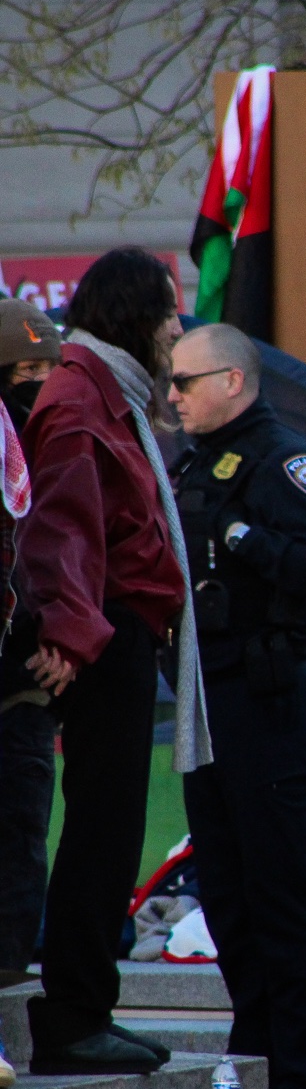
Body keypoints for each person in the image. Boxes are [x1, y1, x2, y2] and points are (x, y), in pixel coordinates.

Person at [14, 249, 206, 1075]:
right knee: (100, 829)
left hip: (114, 629)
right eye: (168, 313)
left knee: (109, 826)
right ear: (134, 313)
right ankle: (73, 1014)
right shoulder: (82, 394)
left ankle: (84, 1006)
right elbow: (60, 523)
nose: (175, 328)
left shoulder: (106, 390)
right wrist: (70, 631)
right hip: (104, 634)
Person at [168, 321, 306, 1089]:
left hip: (270, 700)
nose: (172, 394)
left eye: (185, 381)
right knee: (230, 898)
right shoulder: (195, 462)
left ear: (233, 382)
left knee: (282, 896)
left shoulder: (287, 460)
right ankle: (259, 1062)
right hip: (208, 703)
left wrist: (241, 535)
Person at [0, 298, 61, 980]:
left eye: (51, 366)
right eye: (26, 368)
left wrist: (60, 637)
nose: (41, 381)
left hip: (25, 684)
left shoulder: (55, 442)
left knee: (20, 850)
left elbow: (58, 551)